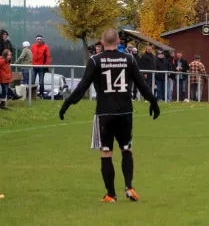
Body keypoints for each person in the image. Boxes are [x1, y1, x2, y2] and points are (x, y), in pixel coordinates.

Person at [58, 29, 160, 203]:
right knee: (126, 149)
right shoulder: (128, 59)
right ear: (119, 41)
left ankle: (110, 194)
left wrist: (67, 103)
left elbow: (83, 86)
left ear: (101, 42)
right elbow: (141, 84)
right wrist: (153, 102)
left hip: (104, 113)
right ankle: (129, 187)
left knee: (106, 152)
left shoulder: (95, 61)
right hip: (125, 112)